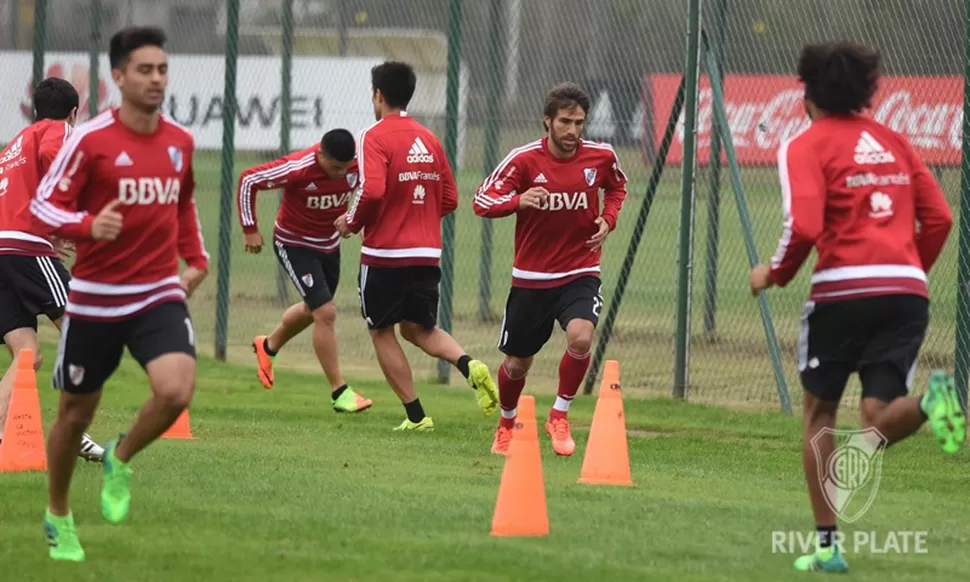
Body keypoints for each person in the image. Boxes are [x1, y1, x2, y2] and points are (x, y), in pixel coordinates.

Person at [749, 41, 963, 574]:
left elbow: (803, 227)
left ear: (807, 92)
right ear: (864, 91)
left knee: (820, 414)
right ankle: (935, 402)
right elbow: (938, 218)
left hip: (842, 292)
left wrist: (773, 274)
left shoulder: (805, 145)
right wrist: (907, 271)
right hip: (906, 292)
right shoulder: (895, 140)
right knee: (877, 415)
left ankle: (826, 547)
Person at [30, 26, 209, 561]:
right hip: (95, 297)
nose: (156, 80)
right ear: (117, 77)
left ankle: (120, 457)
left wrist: (196, 260)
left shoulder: (180, 141)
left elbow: (183, 205)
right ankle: (58, 513)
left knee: (176, 390)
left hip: (156, 291)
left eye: (162, 70)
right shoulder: (89, 140)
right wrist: (87, 226)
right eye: (144, 70)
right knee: (75, 414)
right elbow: (42, 206)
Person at [334, 61, 498, 430]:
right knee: (418, 329)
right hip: (426, 255)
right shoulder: (429, 138)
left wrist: (352, 222)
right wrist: (417, 218)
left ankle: (417, 417)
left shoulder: (372, 136)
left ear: (377, 95)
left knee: (381, 331)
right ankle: (468, 363)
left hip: (384, 255)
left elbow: (372, 190)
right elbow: (451, 198)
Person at [474, 83, 627, 457]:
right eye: (564, 121)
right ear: (547, 120)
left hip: (580, 271)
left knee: (580, 338)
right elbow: (481, 200)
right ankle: (507, 424)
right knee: (516, 363)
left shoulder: (601, 156)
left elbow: (618, 189)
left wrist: (608, 219)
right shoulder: (523, 160)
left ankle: (559, 416)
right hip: (532, 279)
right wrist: (518, 200)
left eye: (579, 122)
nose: (572, 130)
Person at [0, 77, 103, 463]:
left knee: (27, 353)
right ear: (74, 113)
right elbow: (56, 163)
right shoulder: (58, 132)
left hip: (6, 249)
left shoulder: (14, 144)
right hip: (26, 249)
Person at [237, 129, 373, 413]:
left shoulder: (358, 166)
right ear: (320, 155)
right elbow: (249, 180)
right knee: (325, 312)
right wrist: (250, 228)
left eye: (346, 168)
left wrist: (355, 220)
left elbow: (373, 191)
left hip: (329, 246)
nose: (341, 174)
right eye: (335, 167)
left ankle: (268, 346)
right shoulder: (298, 167)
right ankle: (340, 392)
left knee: (315, 309)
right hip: (293, 244)